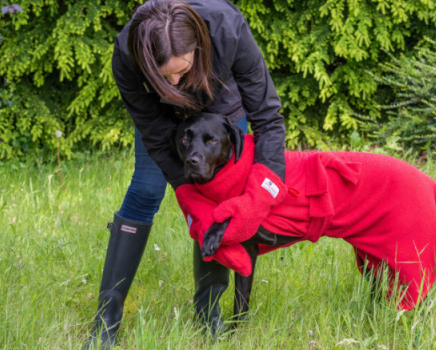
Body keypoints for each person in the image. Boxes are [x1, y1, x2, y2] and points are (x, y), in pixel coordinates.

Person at [85, 0, 286, 348]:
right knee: (146, 189)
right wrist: (187, 192)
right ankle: (107, 319)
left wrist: (264, 192)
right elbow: (153, 131)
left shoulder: (227, 28)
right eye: (165, 76)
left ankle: (208, 315)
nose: (176, 82)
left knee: (220, 195)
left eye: (182, 69)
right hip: (164, 121)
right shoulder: (127, 54)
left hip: (220, 106)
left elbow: (268, 117)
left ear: (198, 46)